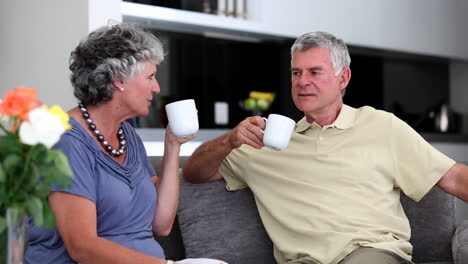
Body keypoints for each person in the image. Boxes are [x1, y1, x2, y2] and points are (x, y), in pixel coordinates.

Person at [182, 31, 468, 264]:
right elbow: (195, 173)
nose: (302, 81)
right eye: (296, 73)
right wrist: (228, 140)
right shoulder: (261, 143)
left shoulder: (381, 126)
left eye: (315, 72)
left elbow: (453, 177)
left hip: (369, 253)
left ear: (343, 78)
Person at [24, 23, 220, 264]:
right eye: (150, 77)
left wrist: (173, 146)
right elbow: (82, 247)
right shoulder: (66, 141)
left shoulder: (127, 134)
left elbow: (161, 224)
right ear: (119, 79)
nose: (157, 88)